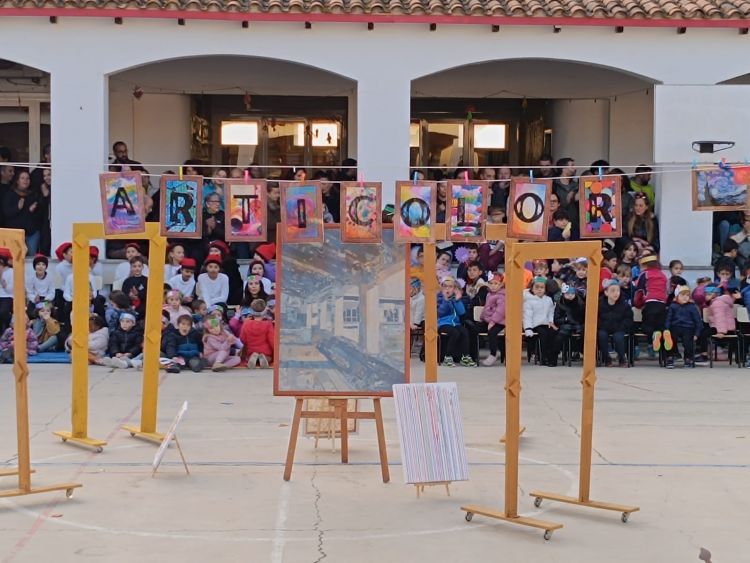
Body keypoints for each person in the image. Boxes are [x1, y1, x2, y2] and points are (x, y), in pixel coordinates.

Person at [437, 276, 475, 367]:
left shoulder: (455, 298)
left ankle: (465, 356)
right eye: (445, 286)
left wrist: (457, 301)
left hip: (455, 323)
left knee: (464, 331)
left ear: (454, 288)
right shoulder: (439, 298)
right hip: (442, 323)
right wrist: (446, 300)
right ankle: (448, 356)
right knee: (454, 332)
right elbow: (441, 313)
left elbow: (462, 313)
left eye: (450, 286)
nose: (447, 288)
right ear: (441, 287)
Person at [3, 169, 42, 255]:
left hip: (32, 234)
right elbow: (6, 213)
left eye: (28, 178)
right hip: (15, 235)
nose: (25, 180)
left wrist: (32, 211)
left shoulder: (33, 194)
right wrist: (17, 207)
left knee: (32, 260)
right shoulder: (10, 194)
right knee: (17, 259)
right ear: (17, 180)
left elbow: (41, 216)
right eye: (22, 178)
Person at [634, 254, 668, 352]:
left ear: (645, 265)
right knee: (660, 325)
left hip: (650, 303)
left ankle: (654, 335)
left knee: (646, 327)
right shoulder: (663, 275)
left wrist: (638, 304)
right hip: (662, 304)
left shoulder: (644, 274)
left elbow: (639, 291)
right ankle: (664, 332)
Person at [664, 285, 703, 369]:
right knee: (670, 339)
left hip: (688, 328)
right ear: (677, 296)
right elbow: (668, 319)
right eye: (682, 295)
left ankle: (688, 358)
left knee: (688, 341)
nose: (685, 297)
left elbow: (698, 321)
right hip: (675, 326)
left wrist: (697, 334)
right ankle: (670, 357)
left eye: (687, 295)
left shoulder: (692, 307)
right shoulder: (673, 306)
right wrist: (666, 329)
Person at [597, 280, 633, 367]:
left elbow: (628, 319)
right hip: (604, 328)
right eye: (612, 291)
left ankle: (622, 358)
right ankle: (607, 359)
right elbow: (597, 319)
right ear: (606, 292)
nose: (616, 293)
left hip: (619, 328)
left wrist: (621, 327)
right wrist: (602, 326)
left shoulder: (625, 305)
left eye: (617, 290)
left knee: (618, 337)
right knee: (601, 335)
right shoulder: (600, 304)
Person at [523, 277, 556, 366]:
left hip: (546, 323)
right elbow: (527, 316)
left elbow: (550, 313)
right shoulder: (529, 301)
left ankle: (552, 358)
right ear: (532, 289)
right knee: (543, 335)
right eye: (536, 288)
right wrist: (528, 328)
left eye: (541, 288)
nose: (539, 290)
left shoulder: (548, 300)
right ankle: (543, 357)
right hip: (535, 325)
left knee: (552, 333)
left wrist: (551, 322)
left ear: (545, 289)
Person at [551, 283, 586, 366]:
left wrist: (579, 323)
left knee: (585, 334)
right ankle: (553, 358)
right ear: (563, 294)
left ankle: (588, 356)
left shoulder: (580, 304)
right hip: (565, 325)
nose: (570, 296)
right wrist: (566, 319)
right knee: (560, 336)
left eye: (572, 294)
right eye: (567, 294)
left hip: (578, 325)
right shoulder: (559, 304)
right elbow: (556, 320)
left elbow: (584, 317)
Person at [479, 273, 506, 366]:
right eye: (491, 283)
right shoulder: (489, 294)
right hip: (489, 320)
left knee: (492, 332)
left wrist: (492, 322)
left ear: (501, 285)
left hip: (500, 322)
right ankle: (471, 353)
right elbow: (486, 307)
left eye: (496, 284)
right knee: (474, 328)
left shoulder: (502, 296)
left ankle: (493, 354)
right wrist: (482, 317)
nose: (493, 286)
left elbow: (500, 311)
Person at [240, 298, 275, 368]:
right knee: (269, 358)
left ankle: (253, 357)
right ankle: (264, 358)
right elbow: (272, 340)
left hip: (251, 350)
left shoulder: (246, 323)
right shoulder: (268, 324)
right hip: (265, 351)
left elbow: (242, 339)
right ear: (264, 311)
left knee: (248, 357)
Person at [624, 193, 660, 258]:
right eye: (636, 205)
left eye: (641, 206)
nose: (638, 208)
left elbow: (656, 241)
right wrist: (634, 242)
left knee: (646, 255)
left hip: (646, 248)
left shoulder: (652, 220)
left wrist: (648, 247)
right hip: (632, 248)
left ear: (646, 207)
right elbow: (623, 236)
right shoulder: (629, 217)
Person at [0, 253, 14, 333]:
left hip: (7, 296)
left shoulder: (11, 272)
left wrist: (2, 280)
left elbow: (10, 290)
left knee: (2, 312)